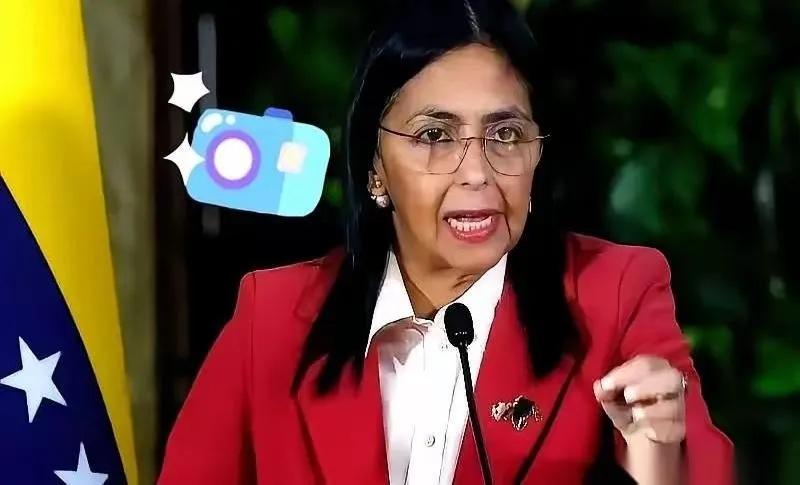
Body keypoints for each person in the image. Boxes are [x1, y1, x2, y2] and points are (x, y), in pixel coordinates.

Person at [158, 0, 734, 483]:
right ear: (375, 168)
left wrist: (661, 460)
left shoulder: (616, 292)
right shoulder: (272, 317)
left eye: (505, 134)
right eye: (435, 136)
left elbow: (699, 469)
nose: (477, 173)